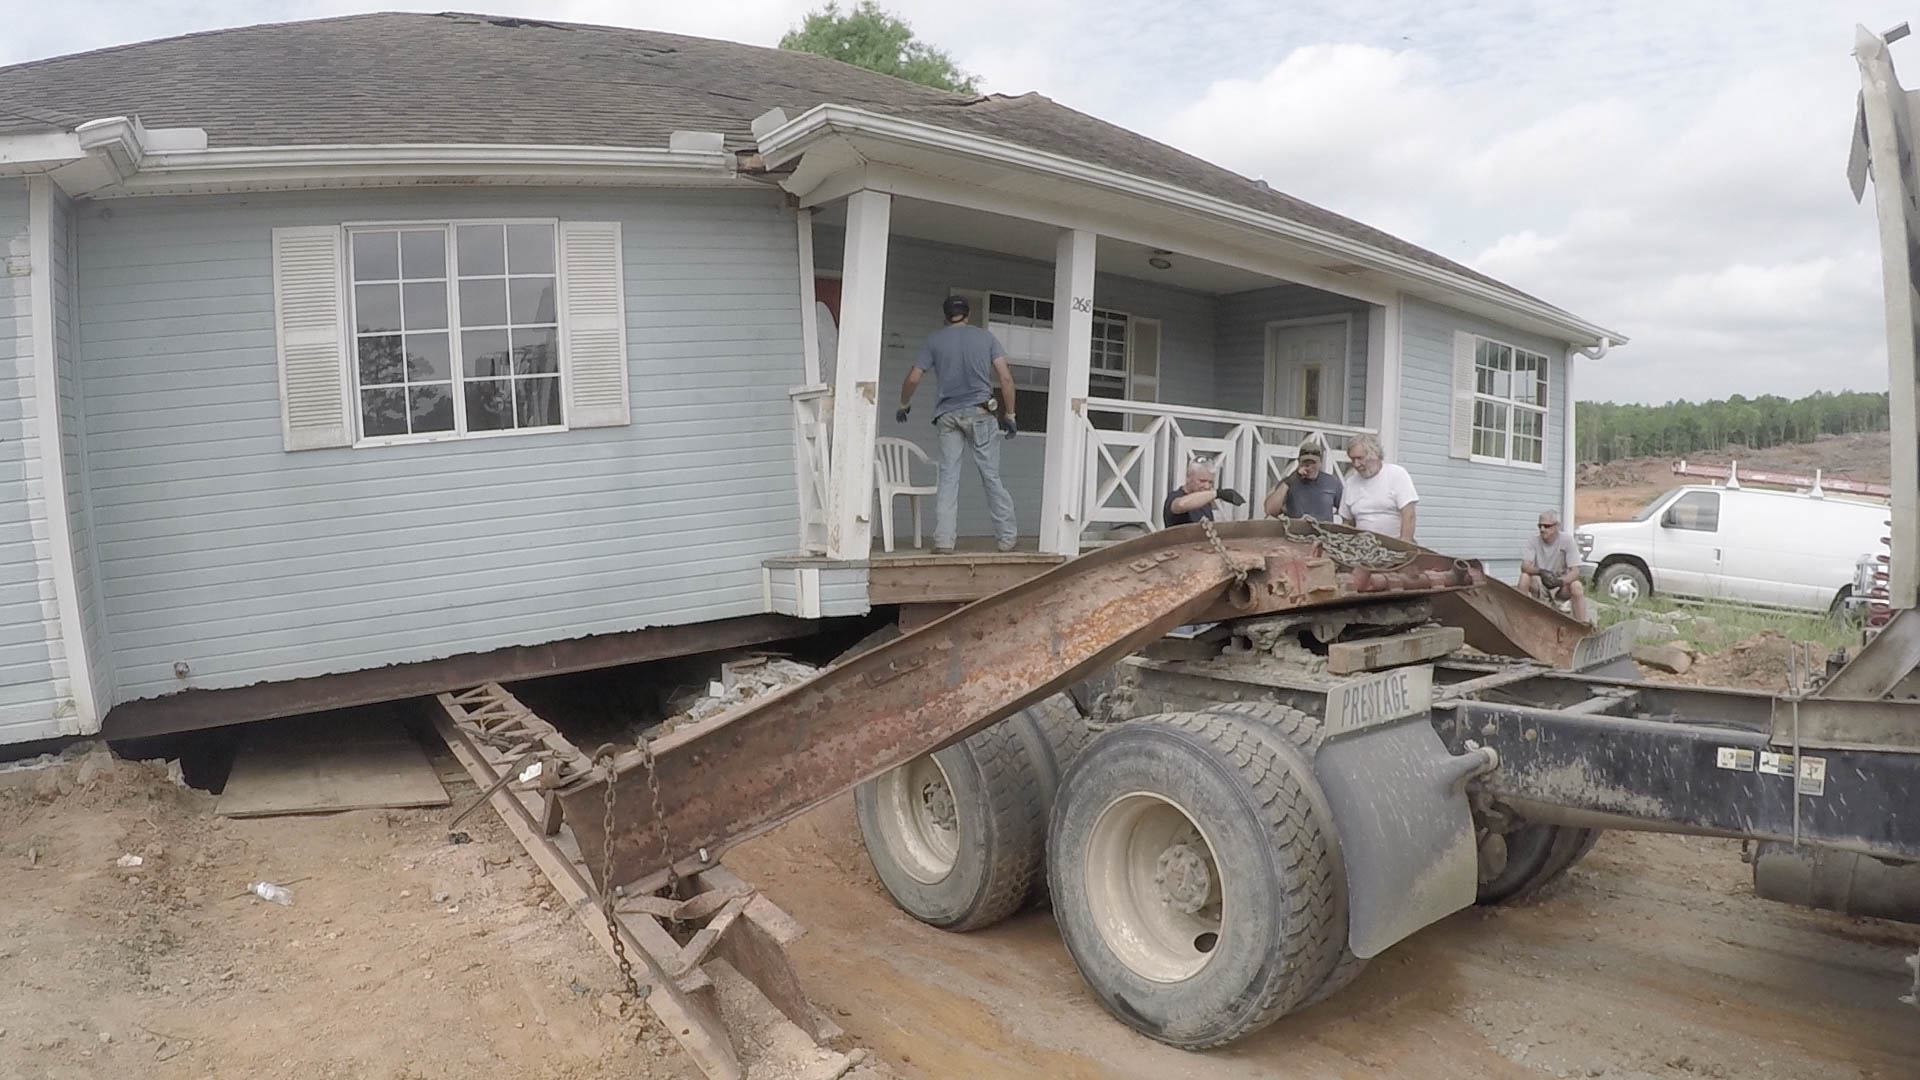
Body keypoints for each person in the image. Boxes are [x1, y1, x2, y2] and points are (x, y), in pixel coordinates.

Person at [896, 295, 1019, 554]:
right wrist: (1010, 414)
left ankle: (943, 541)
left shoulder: (934, 341)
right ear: (968, 314)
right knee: (991, 477)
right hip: (982, 413)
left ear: (945, 316)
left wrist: (904, 404)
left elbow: (914, 378)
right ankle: (1007, 539)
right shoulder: (985, 338)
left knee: (949, 478)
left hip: (948, 416)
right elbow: (1006, 379)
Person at [1336, 433, 1418, 541]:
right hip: (1362, 548)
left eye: (1360, 458)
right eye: (1352, 459)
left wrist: (1404, 544)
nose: (1356, 464)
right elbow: (1347, 522)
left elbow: (1409, 514)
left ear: (1374, 455)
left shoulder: (1397, 474)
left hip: (1394, 546)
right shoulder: (1350, 483)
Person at [1521, 509, 1590, 623]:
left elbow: (1575, 571)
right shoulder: (1533, 540)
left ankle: (1581, 625)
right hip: (1540, 584)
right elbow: (1525, 566)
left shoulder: (1567, 540)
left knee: (1576, 586)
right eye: (1540, 526)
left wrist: (1561, 581)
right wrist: (1540, 572)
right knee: (1524, 577)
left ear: (1557, 526)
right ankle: (1520, 617)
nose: (1542, 529)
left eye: (1547, 526)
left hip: (1560, 585)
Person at [1263, 439, 1342, 521]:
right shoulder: (1289, 482)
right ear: (1299, 462)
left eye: (1313, 463)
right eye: (1306, 462)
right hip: (1295, 531)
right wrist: (1289, 482)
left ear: (1320, 463)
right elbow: (1269, 510)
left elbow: (1346, 512)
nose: (1309, 467)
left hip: (1323, 532)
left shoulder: (1332, 482)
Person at [1164, 459, 1245, 525]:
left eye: (1210, 482)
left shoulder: (1205, 503)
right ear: (1188, 477)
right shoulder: (1174, 496)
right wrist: (1217, 493)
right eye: (1202, 481)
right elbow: (1181, 505)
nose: (1207, 486)